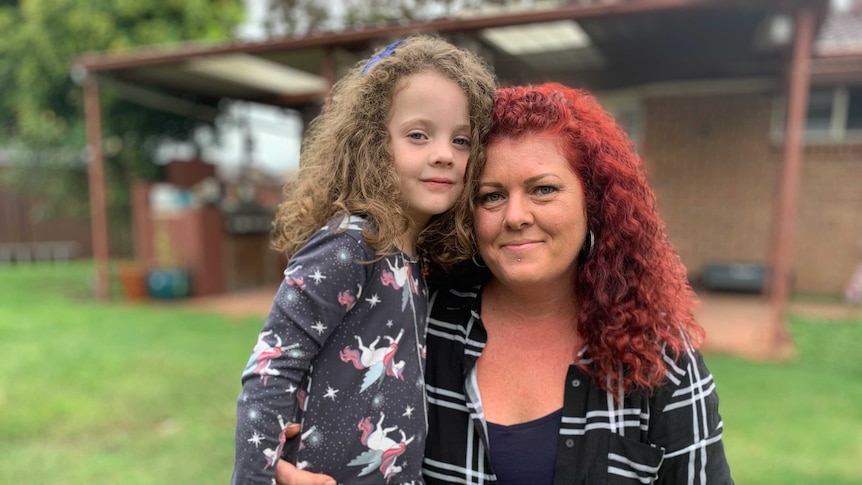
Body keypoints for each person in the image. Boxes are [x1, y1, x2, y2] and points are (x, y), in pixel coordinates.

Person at [277, 83, 733, 484]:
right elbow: (324, 429)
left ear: (594, 203)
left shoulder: (659, 356)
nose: (516, 216)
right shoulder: (416, 324)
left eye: (543, 189)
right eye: (491, 196)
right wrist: (294, 461)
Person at [231, 34, 496, 485]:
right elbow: (271, 369)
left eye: (461, 140)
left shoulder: (417, 258)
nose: (444, 155)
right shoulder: (352, 245)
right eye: (418, 135)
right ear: (373, 144)